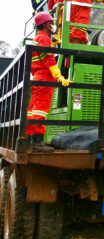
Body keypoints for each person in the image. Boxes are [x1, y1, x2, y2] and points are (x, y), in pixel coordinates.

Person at [26, 12, 71, 152]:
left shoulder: (39, 38)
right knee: (41, 109)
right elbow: (50, 61)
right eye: (51, 23)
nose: (52, 25)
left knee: (33, 109)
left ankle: (29, 138)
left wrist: (53, 43)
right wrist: (60, 77)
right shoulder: (43, 39)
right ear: (45, 24)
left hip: (38, 77)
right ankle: (37, 143)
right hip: (45, 78)